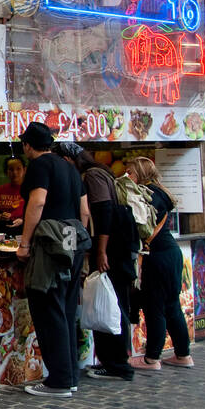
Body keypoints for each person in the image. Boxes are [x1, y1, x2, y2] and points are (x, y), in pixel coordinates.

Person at [16, 123, 91, 398]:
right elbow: (84, 211)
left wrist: (24, 244)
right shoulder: (70, 167)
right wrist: (71, 245)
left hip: (51, 242)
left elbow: (37, 203)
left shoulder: (39, 165)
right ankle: (70, 376)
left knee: (49, 307)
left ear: (27, 145)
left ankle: (58, 380)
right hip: (73, 239)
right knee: (67, 309)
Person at [57, 144, 138, 381]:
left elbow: (104, 213)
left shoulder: (92, 176)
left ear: (67, 158)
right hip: (115, 248)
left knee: (111, 303)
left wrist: (100, 250)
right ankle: (114, 362)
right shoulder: (100, 172)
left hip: (111, 250)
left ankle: (117, 364)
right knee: (112, 301)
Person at [125, 157, 194, 370]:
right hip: (171, 253)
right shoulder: (161, 192)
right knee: (172, 305)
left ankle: (151, 358)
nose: (127, 176)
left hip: (158, 256)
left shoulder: (148, 195)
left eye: (131, 172)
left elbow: (139, 223)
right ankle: (183, 355)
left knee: (154, 305)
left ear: (140, 174)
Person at [0, 158, 26, 231]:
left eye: (18, 169)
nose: (15, 172)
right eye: (11, 169)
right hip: (3, 228)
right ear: (6, 172)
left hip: (23, 228)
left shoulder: (30, 189)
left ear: (24, 170)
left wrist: (23, 220)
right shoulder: (0, 190)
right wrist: (0, 216)